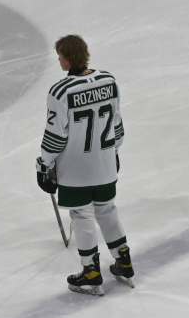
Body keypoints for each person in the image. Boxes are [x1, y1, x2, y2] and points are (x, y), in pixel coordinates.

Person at [36, 34, 134, 296]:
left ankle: (91, 272)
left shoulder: (61, 91)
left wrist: (45, 165)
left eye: (60, 56)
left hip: (76, 170)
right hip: (105, 164)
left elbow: (56, 136)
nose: (59, 60)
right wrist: (113, 152)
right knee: (107, 210)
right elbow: (117, 123)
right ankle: (124, 261)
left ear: (68, 59)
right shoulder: (108, 80)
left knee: (81, 215)